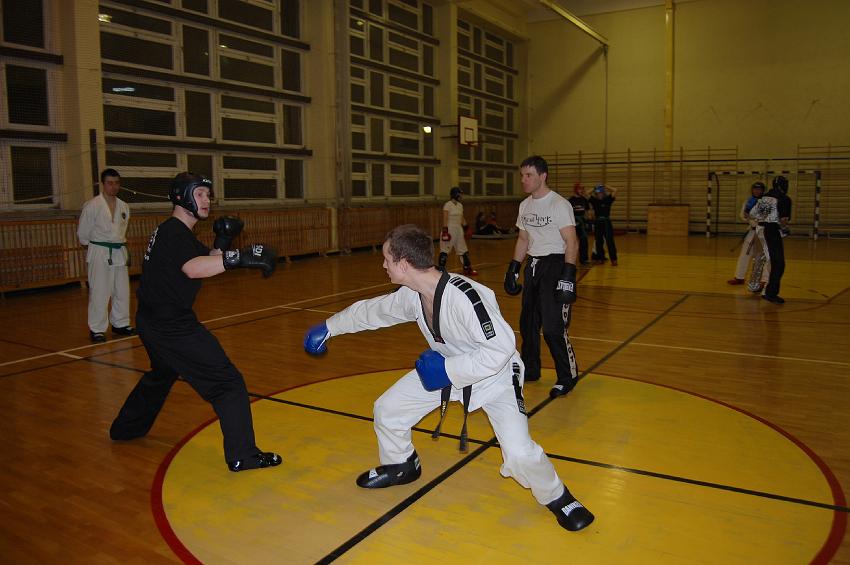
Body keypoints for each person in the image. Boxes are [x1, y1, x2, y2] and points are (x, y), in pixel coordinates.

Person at [303, 224, 594, 532]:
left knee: (520, 454)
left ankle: (558, 496)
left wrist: (445, 371)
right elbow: (375, 311)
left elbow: (501, 349)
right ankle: (401, 465)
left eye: (387, 259)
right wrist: (330, 327)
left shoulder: (466, 297)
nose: (383, 264)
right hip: (446, 367)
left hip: (495, 378)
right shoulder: (413, 295)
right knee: (388, 410)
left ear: (404, 264)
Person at [109, 172, 282, 472]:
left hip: (151, 320)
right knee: (228, 383)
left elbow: (209, 260)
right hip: (171, 326)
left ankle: (126, 427)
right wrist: (241, 257)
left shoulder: (175, 233)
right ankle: (243, 455)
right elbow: (193, 269)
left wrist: (224, 241)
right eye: (200, 194)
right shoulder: (174, 233)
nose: (206, 201)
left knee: (162, 373)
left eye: (207, 195)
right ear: (182, 197)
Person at [504, 155, 580, 399]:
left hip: (555, 265)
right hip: (534, 266)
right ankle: (531, 369)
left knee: (553, 327)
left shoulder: (559, 204)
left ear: (542, 176)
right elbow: (523, 239)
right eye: (522, 175)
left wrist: (568, 275)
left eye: (529, 175)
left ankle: (567, 377)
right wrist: (514, 268)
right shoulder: (525, 206)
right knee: (528, 324)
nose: (523, 180)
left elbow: (571, 241)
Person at [77, 168, 134, 342]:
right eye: (110, 183)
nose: (114, 186)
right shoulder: (92, 205)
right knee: (100, 290)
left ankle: (120, 323)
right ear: (103, 184)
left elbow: (122, 231)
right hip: (99, 251)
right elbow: (83, 234)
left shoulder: (124, 206)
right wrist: (94, 247)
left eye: (116, 183)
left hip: (119, 250)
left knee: (122, 290)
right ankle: (97, 329)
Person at [750, 175, 792, 304]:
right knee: (777, 263)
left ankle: (757, 286)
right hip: (771, 231)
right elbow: (783, 220)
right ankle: (769, 292)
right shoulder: (784, 199)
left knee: (766, 259)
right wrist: (784, 229)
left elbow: (753, 214)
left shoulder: (764, 197)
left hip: (760, 230)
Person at [727, 181, 769, 289]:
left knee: (763, 256)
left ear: (763, 191)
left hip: (763, 233)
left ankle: (764, 280)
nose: (757, 191)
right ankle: (739, 277)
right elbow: (743, 215)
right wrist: (749, 219)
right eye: (755, 189)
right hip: (752, 232)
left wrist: (757, 220)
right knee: (745, 254)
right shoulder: (749, 201)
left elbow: (767, 217)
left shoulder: (766, 202)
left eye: (759, 189)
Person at [439, 186, 477, 276]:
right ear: (455, 194)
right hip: (449, 229)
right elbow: (445, 218)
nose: (461, 196)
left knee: (463, 250)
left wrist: (466, 227)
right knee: (445, 250)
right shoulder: (448, 205)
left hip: (459, 230)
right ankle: (440, 270)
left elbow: (461, 218)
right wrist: (445, 230)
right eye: (460, 194)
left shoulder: (460, 205)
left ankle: (467, 268)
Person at [588, 183, 618, 266]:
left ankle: (614, 259)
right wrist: (595, 187)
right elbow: (586, 193)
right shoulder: (594, 201)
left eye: (601, 193)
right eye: (598, 193)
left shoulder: (608, 199)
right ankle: (600, 258)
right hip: (598, 222)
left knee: (610, 241)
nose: (599, 194)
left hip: (606, 222)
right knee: (598, 241)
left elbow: (615, 190)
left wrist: (605, 186)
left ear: (603, 193)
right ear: (596, 194)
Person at [568, 182, 591, 266]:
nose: (582, 190)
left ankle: (584, 259)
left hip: (582, 223)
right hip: (573, 223)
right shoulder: (570, 200)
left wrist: (589, 220)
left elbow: (588, 211)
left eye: (582, 189)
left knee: (584, 240)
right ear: (576, 189)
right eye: (580, 189)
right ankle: (570, 260)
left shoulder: (584, 199)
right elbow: (567, 213)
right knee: (571, 242)